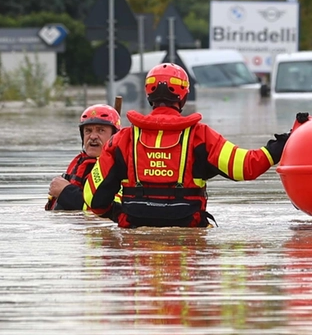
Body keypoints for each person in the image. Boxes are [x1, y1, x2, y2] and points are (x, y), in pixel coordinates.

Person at [82, 63, 292, 228]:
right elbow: (246, 167)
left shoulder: (122, 139)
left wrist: (121, 214)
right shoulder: (201, 136)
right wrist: (283, 143)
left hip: (134, 235)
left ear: (148, 95)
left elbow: (94, 198)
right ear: (183, 96)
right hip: (189, 237)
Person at [47, 104, 120, 211]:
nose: (93, 136)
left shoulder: (119, 169)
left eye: (101, 130)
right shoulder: (81, 163)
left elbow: (108, 211)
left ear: (114, 136)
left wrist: (66, 192)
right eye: (88, 131)